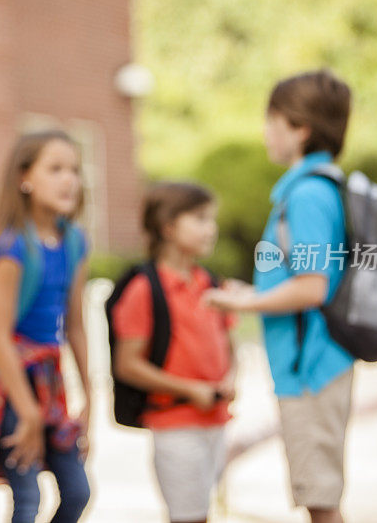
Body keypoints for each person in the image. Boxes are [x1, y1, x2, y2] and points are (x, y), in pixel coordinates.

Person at [206, 69, 355, 523]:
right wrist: (253, 292)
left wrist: (240, 303)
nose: (266, 131)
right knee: (319, 496)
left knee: (321, 502)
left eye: (272, 120)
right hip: (314, 365)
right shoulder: (313, 188)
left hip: (310, 370)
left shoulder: (308, 195)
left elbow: (312, 286)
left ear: (300, 127)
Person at [0, 130, 92, 523]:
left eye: (74, 169)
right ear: (25, 178)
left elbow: (76, 327)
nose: (69, 179)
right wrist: (28, 413)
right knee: (28, 499)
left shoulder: (74, 242)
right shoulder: (11, 246)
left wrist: (90, 398)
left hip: (49, 383)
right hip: (10, 386)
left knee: (77, 492)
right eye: (55, 169)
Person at [111, 182, 236, 523]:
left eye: (211, 218)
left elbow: (228, 345)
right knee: (189, 516)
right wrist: (190, 389)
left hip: (216, 421)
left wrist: (230, 378)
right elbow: (127, 365)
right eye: (199, 219)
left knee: (203, 512)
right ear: (167, 227)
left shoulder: (211, 283)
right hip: (175, 425)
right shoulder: (143, 289)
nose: (211, 228)